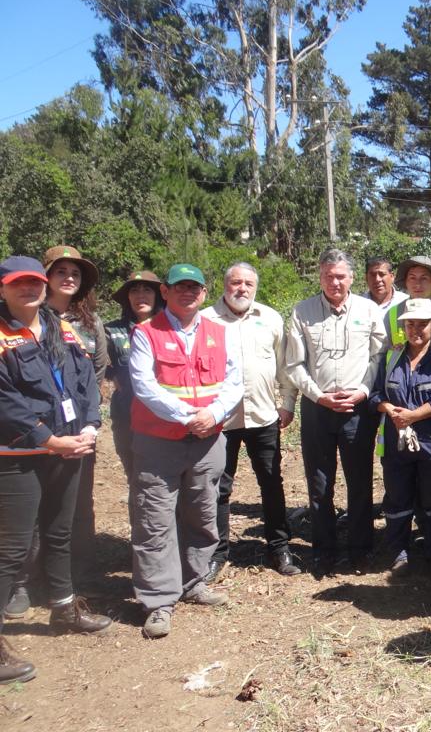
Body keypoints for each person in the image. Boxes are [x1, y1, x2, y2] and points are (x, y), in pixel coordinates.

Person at [0, 256, 110, 684]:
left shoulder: (58, 326)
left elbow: (83, 378)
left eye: (33, 283)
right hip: (20, 456)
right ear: (4, 289)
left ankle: (64, 609)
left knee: (61, 532)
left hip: (69, 446)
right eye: (18, 284)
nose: (28, 289)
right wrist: (48, 439)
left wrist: (89, 425)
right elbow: (5, 401)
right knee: (12, 547)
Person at [128, 263, 243, 639]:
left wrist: (212, 414)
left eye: (194, 287)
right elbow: (144, 386)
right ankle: (158, 600)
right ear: (165, 291)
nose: (187, 293)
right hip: (158, 441)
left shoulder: (219, 332)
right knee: (155, 520)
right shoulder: (146, 332)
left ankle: (194, 581)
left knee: (202, 511)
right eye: (179, 287)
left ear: (205, 292)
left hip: (208, 439)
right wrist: (187, 416)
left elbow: (233, 381)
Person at [287, 249, 387, 575]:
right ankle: (324, 551)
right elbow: (294, 364)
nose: (335, 282)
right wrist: (318, 396)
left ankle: (360, 549)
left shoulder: (370, 311)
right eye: (328, 275)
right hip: (318, 409)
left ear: (352, 278)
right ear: (320, 277)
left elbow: (378, 358)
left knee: (359, 481)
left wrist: (362, 391)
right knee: (319, 483)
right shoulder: (302, 312)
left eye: (341, 276)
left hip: (357, 410)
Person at [201, 263, 300, 581]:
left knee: (271, 482)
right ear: (224, 285)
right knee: (218, 487)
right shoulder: (204, 320)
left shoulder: (269, 318)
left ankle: (279, 547)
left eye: (248, 283)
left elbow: (284, 365)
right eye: (235, 282)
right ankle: (216, 554)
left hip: (263, 415)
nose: (241, 288)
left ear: (255, 287)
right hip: (220, 420)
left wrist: (287, 403)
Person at [372, 299, 431, 581]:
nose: (416, 329)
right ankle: (399, 551)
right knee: (397, 498)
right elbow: (375, 395)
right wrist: (389, 409)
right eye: (410, 324)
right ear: (403, 327)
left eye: (422, 324)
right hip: (396, 444)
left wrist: (412, 415)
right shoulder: (391, 357)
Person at [43, 245, 107, 583]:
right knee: (38, 499)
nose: (69, 278)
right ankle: (30, 576)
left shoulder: (89, 322)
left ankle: (81, 570)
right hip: (40, 428)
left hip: (81, 427)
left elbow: (96, 374)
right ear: (47, 276)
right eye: (61, 271)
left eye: (75, 273)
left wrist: (90, 424)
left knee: (81, 499)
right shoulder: (29, 316)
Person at [105, 272, 164, 482]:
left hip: (167, 416)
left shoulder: (172, 328)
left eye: (147, 290)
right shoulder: (111, 331)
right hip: (127, 415)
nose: (141, 295)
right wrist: (113, 375)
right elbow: (97, 364)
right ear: (127, 297)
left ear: (159, 295)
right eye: (134, 290)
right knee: (136, 476)